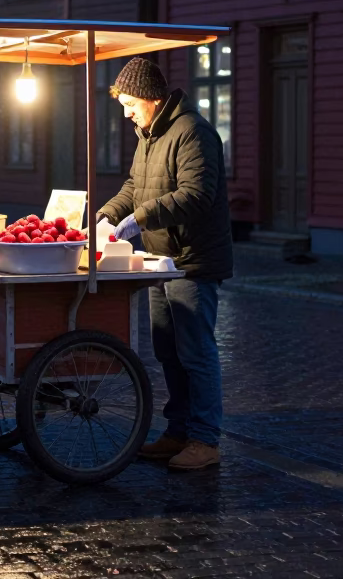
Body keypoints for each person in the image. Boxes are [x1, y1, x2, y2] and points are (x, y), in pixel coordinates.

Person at [96, 57, 233, 472]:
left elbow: (196, 194)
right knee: (168, 351)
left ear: (153, 99)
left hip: (192, 261)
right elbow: (135, 187)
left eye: (131, 103)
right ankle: (177, 431)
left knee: (195, 351)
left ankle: (205, 439)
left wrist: (140, 219)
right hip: (160, 260)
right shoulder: (149, 134)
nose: (126, 112)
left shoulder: (193, 132)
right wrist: (106, 216)